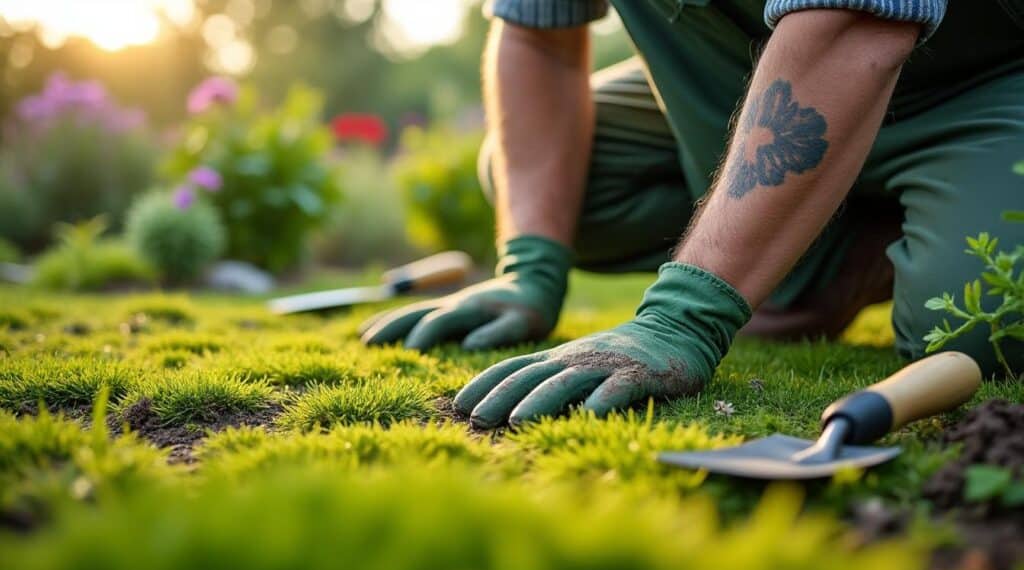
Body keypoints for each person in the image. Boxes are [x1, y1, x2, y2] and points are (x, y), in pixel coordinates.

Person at [362, 1, 1024, 428]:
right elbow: (540, 35)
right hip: (752, 76)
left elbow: (858, 21)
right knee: (557, 187)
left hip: (976, 83)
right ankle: (833, 247)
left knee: (974, 320)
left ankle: (861, 241)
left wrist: (686, 314)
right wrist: (529, 266)